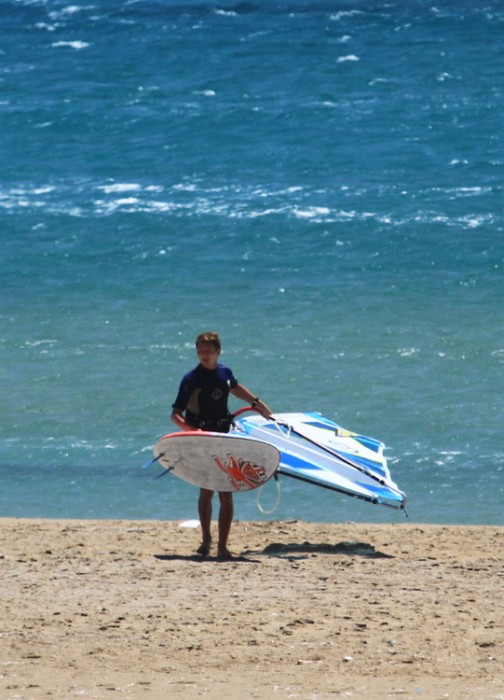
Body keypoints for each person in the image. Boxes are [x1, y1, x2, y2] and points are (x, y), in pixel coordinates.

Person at [171, 331, 272, 561]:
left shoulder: (224, 372)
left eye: (208, 351)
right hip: (202, 439)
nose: (204, 355)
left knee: (226, 492)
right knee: (206, 490)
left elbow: (233, 387)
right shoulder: (191, 379)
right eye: (200, 351)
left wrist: (257, 404)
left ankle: (223, 547)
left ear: (218, 351)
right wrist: (193, 432)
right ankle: (206, 539)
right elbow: (175, 415)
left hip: (224, 436)